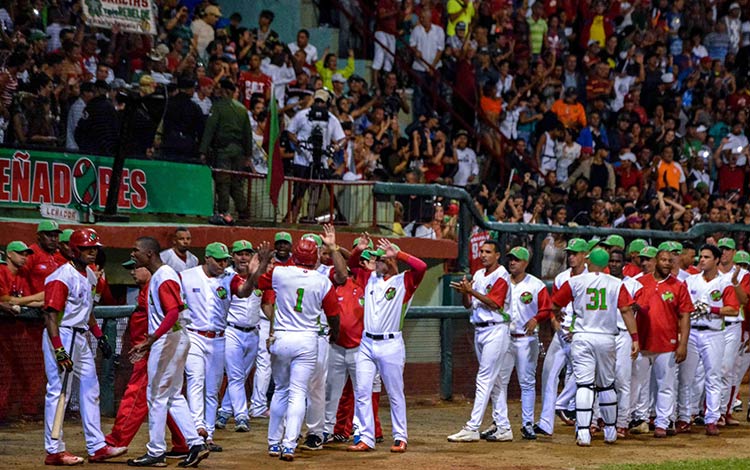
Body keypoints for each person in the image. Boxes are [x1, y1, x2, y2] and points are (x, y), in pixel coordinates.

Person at [250, 239, 341, 462]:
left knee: (281, 389)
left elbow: (258, 282)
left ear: (295, 255)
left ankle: (273, 443)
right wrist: (334, 333)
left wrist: (262, 261)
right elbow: (333, 315)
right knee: (299, 392)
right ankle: (289, 445)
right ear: (315, 258)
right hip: (307, 338)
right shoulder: (322, 281)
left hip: (282, 336)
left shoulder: (280, 272)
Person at [41, 228, 126, 465]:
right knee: (59, 392)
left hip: (80, 336)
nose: (92, 253)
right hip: (61, 334)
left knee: (91, 387)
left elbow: (87, 312)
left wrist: (100, 336)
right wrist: (58, 348)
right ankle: (54, 450)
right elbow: (50, 315)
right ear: (75, 250)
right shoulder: (61, 276)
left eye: (94, 249)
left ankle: (97, 446)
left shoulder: (89, 275)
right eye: (88, 249)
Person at [127, 237, 209, 467]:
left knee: (156, 396)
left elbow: (173, 312)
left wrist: (151, 339)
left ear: (150, 254)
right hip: (174, 338)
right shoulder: (161, 276)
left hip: (168, 339)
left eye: (136, 251)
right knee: (172, 394)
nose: (133, 254)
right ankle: (195, 443)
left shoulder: (164, 276)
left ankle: (156, 451)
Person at [550, 248, 639, 447]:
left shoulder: (575, 281)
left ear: (590, 262)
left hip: (582, 337)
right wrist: (635, 338)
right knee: (607, 385)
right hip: (607, 337)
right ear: (607, 264)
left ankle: (583, 433)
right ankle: (610, 430)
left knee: (584, 384)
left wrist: (556, 314)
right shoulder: (617, 284)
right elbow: (626, 311)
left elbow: (555, 303)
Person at [347, 235, 427, 453]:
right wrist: (359, 249)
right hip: (366, 342)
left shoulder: (404, 280)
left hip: (390, 343)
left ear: (391, 260)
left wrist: (398, 254)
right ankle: (366, 438)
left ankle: (400, 437)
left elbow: (422, 267)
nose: (376, 262)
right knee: (362, 390)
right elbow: (351, 265)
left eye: (380, 259)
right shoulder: (369, 277)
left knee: (394, 392)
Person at [105, 260, 189, 459]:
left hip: (155, 351)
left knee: (137, 396)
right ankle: (185, 440)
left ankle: (117, 441)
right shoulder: (148, 288)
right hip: (156, 348)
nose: (133, 272)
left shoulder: (158, 284)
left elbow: (173, 314)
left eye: (136, 267)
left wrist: (149, 344)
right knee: (164, 399)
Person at [180, 242, 256, 452]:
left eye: (225, 260)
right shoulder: (187, 276)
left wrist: (254, 273)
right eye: (218, 259)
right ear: (207, 258)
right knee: (196, 381)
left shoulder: (230, 278)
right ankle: (197, 429)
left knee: (212, 389)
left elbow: (244, 292)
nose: (223, 264)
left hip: (219, 338)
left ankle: (209, 434)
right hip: (194, 335)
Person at [446, 239, 511, 443]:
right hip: (480, 330)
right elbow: (468, 305)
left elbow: (495, 303)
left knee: (484, 378)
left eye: (488, 251)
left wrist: (471, 291)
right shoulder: (478, 274)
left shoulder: (502, 275)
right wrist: (465, 293)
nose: (483, 255)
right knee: (496, 382)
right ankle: (503, 427)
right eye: (481, 251)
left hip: (496, 330)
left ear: (497, 255)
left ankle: (472, 427)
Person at [678, 244, 739, 436]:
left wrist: (711, 309)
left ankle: (711, 419)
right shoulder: (691, 281)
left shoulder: (724, 283)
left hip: (713, 332)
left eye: (706, 257)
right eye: (700, 257)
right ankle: (684, 417)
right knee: (687, 377)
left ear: (716, 260)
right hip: (693, 331)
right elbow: (681, 306)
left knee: (713, 376)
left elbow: (734, 309)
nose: (701, 260)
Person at [632, 248, 692, 437]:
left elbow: (685, 316)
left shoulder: (678, 285)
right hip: (642, 341)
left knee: (666, 384)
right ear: (655, 261)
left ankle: (663, 423)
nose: (667, 263)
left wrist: (683, 344)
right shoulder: (639, 283)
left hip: (668, 342)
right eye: (663, 260)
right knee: (638, 383)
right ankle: (640, 419)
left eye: (670, 261)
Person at [535, 238, 588, 436]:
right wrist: (555, 323)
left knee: (582, 376)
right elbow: (553, 306)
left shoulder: (592, 277)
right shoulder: (561, 277)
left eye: (575, 253)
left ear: (585, 255)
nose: (571, 257)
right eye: (569, 253)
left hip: (582, 334)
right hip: (562, 332)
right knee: (548, 374)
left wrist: (580, 330)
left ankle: (565, 407)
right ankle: (545, 423)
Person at [497, 247, 552, 439]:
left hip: (526, 340)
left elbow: (547, 308)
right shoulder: (501, 282)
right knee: (499, 382)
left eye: (517, 260)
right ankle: (499, 422)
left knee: (527, 383)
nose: (512, 262)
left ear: (525, 263)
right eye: (510, 259)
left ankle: (527, 423)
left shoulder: (536, 285)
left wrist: (536, 319)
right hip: (504, 338)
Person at [249, 231, 294, 420]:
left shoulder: (295, 265)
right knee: (264, 365)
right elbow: (253, 275)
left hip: (290, 324)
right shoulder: (267, 264)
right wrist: (261, 258)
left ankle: (289, 405)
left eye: (285, 243)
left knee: (291, 366)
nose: (282, 246)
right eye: (279, 243)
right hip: (267, 320)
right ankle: (258, 406)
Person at [216, 241, 260, 432]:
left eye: (247, 254)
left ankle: (225, 411)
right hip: (232, 330)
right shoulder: (226, 277)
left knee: (240, 377)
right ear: (233, 257)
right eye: (239, 254)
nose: (243, 257)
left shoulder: (260, 277)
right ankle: (242, 415)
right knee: (235, 375)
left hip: (253, 332)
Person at [285, 88, 345, 223]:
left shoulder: (332, 120)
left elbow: (342, 139)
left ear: (327, 103)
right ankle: (291, 221)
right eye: (317, 101)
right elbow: (290, 131)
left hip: (321, 161)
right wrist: (299, 143)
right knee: (298, 194)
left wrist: (335, 147)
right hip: (302, 161)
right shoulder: (302, 115)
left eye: (322, 102)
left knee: (315, 193)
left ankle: (310, 219)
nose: (319, 104)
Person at [199, 78, 253, 222]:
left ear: (225, 91)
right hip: (239, 151)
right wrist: (248, 154)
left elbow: (210, 129)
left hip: (223, 150)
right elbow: (248, 134)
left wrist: (203, 150)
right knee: (236, 183)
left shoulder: (218, 107)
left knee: (223, 181)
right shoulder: (242, 109)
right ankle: (243, 211)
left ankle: (224, 213)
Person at [606, 249, 644, 438]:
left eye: (617, 261)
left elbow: (640, 306)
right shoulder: (602, 281)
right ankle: (599, 419)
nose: (613, 264)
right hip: (605, 334)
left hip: (624, 334)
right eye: (611, 261)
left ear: (624, 264)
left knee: (623, 379)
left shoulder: (634, 284)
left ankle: (622, 422)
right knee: (602, 380)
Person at [157, 77, 206, 163]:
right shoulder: (194, 107)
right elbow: (200, 129)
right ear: (190, 89)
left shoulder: (168, 103)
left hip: (169, 143)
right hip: (187, 145)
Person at [0, 241, 43, 308]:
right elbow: (4, 299)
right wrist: (36, 297)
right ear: (9, 254)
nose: (24, 258)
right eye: (20, 254)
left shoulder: (23, 273)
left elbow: (24, 299)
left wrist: (42, 303)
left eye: (26, 255)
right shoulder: (2, 270)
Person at [24, 220, 63, 294]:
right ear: (39, 236)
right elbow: (22, 279)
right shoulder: (31, 253)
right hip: (34, 302)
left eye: (56, 236)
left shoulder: (58, 254)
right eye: (49, 235)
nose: (53, 239)